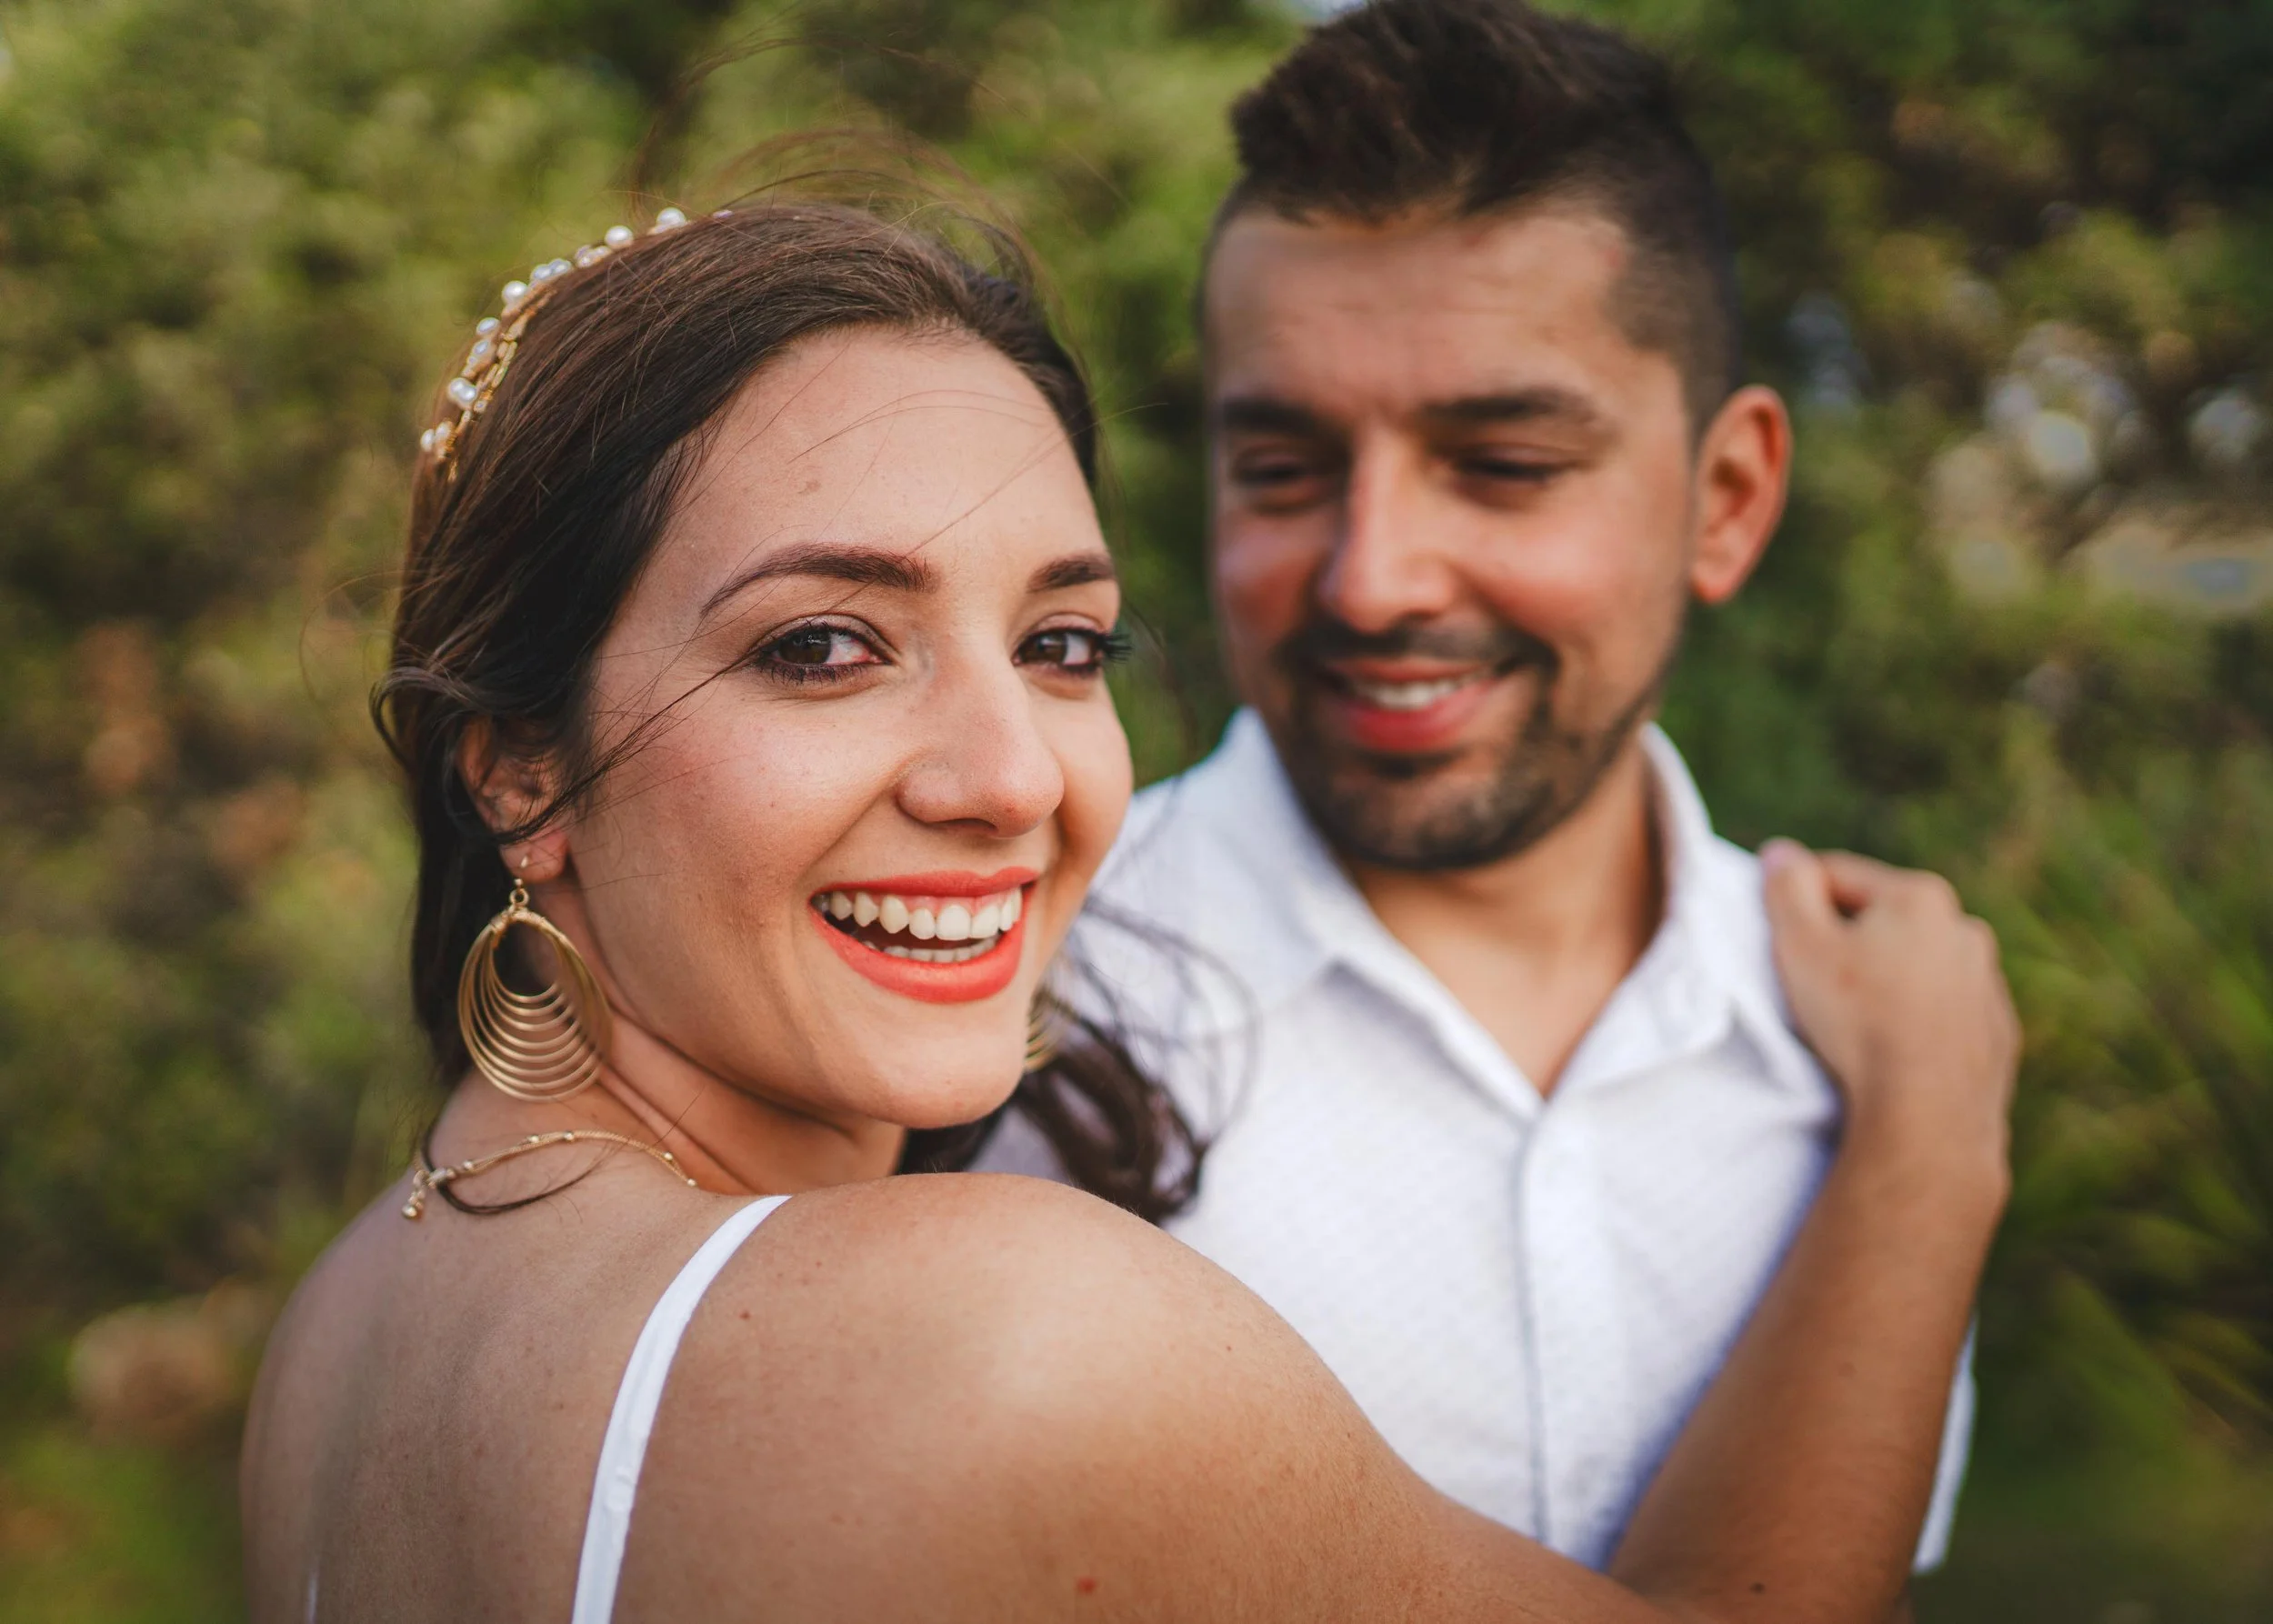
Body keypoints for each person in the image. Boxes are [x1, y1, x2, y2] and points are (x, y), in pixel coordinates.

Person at [241, 195, 2017, 1622]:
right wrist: (1926, 1148)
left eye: (1059, 642)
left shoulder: (341, 1338)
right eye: (821, 646)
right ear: (519, 766)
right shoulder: (1013, 1334)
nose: (1009, 774)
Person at [977, 0, 1981, 1577]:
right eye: (1285, 469)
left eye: (1505, 464)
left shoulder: (1860, 1035)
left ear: (1726, 502)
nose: (1373, 580)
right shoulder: (1009, 1009)